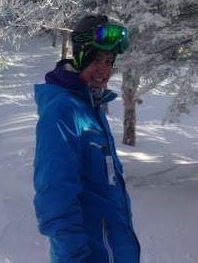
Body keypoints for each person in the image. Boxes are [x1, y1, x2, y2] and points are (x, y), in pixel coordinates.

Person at [33, 15, 141, 262]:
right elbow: (55, 199)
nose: (104, 70)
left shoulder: (91, 109)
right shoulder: (63, 111)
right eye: (96, 60)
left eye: (109, 61)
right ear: (81, 57)